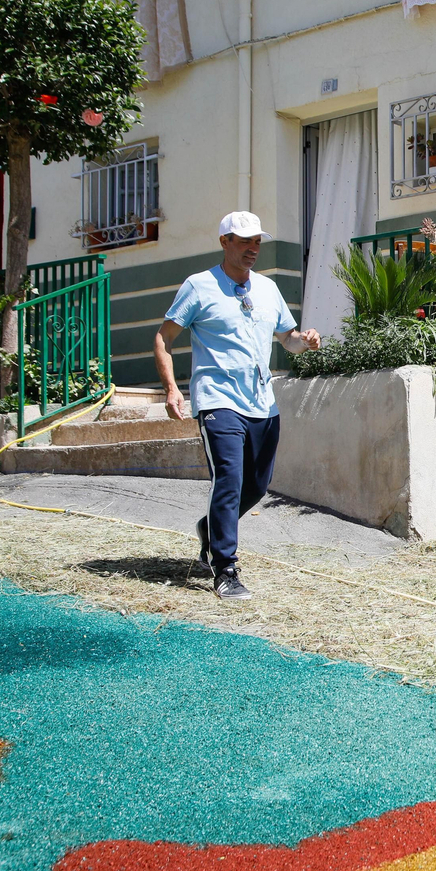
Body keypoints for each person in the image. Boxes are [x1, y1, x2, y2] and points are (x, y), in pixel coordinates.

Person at [153, 211, 321, 600]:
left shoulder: (267, 288)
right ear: (224, 242)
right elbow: (164, 338)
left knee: (257, 485)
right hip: (217, 399)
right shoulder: (198, 286)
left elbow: (288, 339)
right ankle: (225, 567)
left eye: (257, 241)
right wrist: (171, 389)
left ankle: (210, 528)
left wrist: (305, 341)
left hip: (262, 401)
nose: (252, 248)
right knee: (228, 479)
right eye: (244, 241)